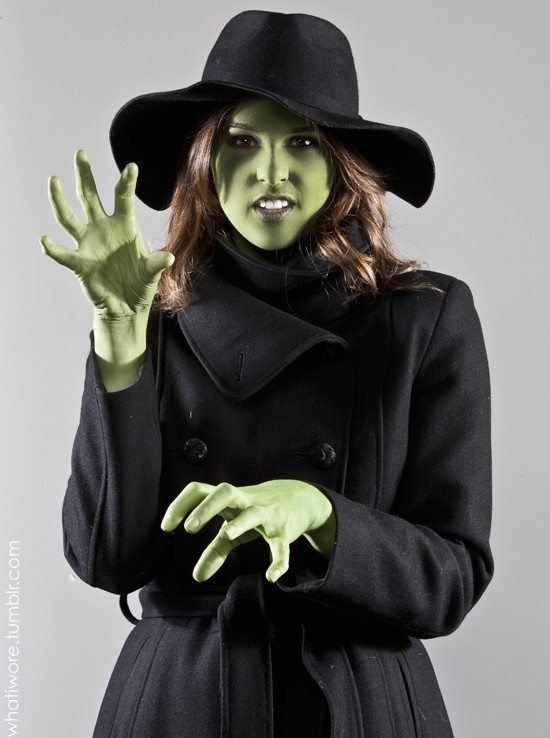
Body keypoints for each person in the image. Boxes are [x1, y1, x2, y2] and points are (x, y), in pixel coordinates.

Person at [41, 10, 493, 738]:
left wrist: (322, 515)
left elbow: (452, 579)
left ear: (342, 164)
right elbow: (105, 559)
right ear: (203, 161)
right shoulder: (151, 314)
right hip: (184, 703)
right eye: (241, 141)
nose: (271, 172)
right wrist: (120, 341)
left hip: (355, 703)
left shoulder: (425, 317)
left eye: (304, 142)